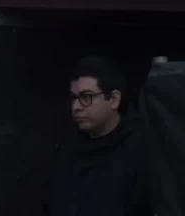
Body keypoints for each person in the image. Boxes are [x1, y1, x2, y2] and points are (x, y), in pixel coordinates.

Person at [47, 56, 151, 216]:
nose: (76, 107)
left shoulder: (144, 151)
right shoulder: (66, 148)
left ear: (114, 99)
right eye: (73, 98)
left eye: (86, 97)